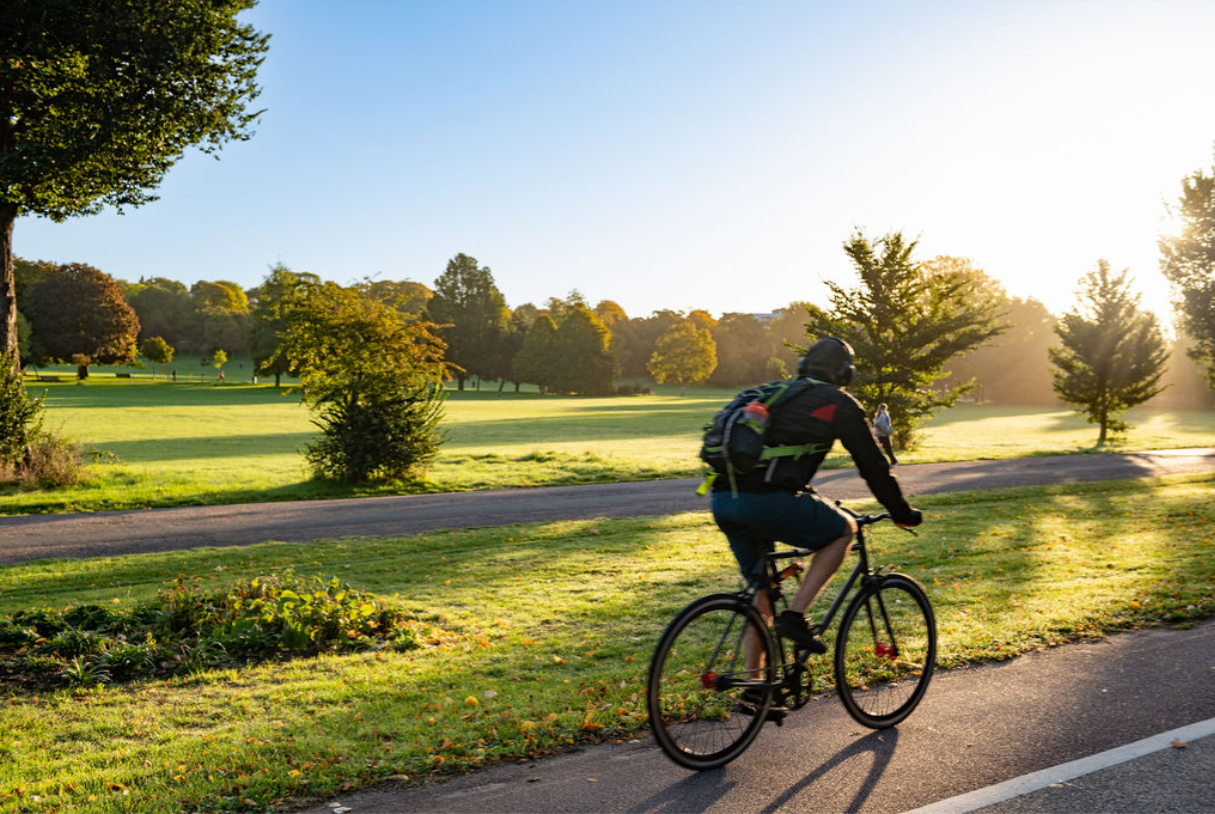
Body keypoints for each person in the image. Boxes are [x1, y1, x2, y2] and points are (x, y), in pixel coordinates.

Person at [710, 337, 922, 666]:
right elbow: (874, 467)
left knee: (763, 593)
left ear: (803, 366)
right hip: (766, 502)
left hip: (724, 499)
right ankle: (795, 617)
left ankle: (755, 691)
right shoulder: (838, 403)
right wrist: (901, 512)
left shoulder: (776, 393)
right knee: (842, 530)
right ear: (845, 372)